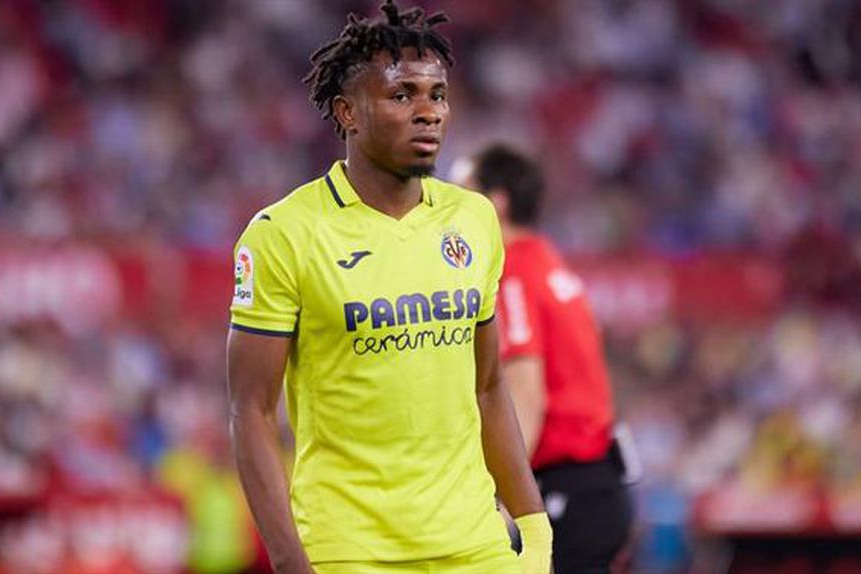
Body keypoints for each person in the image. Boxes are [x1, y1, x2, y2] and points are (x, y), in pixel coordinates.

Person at [225, 3, 551, 574]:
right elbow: (251, 411)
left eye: (437, 95)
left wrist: (533, 525)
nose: (428, 112)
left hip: (476, 545)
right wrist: (290, 561)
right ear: (347, 112)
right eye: (402, 96)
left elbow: (488, 387)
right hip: (352, 551)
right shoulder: (283, 234)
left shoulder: (473, 220)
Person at [457, 144, 634, 574]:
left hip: (565, 487)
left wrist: (503, 500)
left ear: (496, 202)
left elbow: (525, 394)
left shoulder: (512, 273)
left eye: (463, 191)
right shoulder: (548, 262)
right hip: (594, 484)